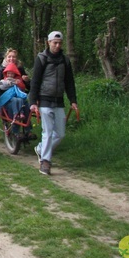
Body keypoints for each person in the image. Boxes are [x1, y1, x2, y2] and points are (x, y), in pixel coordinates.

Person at [28, 31, 78, 176]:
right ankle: (45, 162)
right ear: (48, 42)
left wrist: (73, 100)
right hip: (44, 100)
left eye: (59, 43)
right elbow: (35, 81)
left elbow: (69, 82)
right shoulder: (42, 58)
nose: (57, 45)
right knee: (48, 132)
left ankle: (40, 148)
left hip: (59, 101)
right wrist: (33, 102)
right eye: (54, 42)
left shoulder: (65, 60)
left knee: (60, 134)